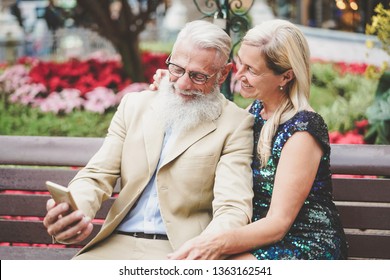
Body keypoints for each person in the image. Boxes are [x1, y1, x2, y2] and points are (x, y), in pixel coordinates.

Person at [42, 20, 254, 260]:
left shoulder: (235, 124)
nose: (183, 84)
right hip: (114, 244)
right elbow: (97, 175)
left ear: (223, 73)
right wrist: (73, 211)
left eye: (198, 76)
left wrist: (206, 247)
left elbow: (232, 207)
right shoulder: (134, 106)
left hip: (181, 250)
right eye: (177, 69)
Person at [152, 19, 348, 260]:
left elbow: (278, 224)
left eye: (251, 70)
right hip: (252, 234)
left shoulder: (302, 130)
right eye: (240, 63)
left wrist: (215, 243)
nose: (239, 75)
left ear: (285, 77)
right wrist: (175, 86)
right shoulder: (255, 111)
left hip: (302, 242)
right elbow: (212, 116)